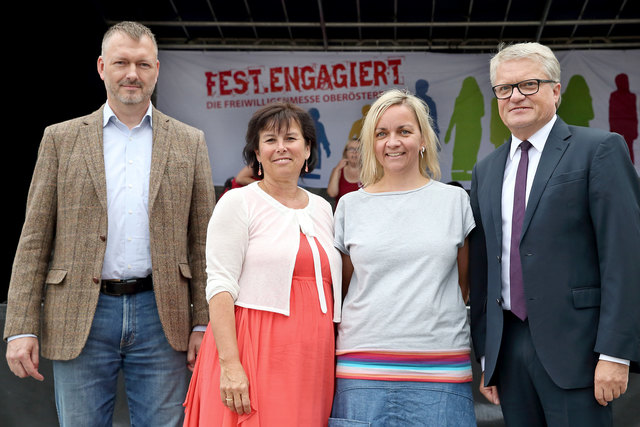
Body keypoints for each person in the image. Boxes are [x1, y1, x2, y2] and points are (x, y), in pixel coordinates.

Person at [3, 21, 215, 426]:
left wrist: (203, 322)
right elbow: (34, 239)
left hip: (163, 314)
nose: (132, 73)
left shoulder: (190, 142)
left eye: (142, 64)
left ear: (157, 69)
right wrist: (20, 327)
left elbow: (202, 241)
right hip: (79, 312)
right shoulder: (60, 139)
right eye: (121, 63)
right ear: (102, 67)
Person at [470, 42, 640, 427]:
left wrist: (615, 353)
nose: (515, 96)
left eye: (529, 84)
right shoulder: (486, 170)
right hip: (508, 350)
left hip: (580, 350)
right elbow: (483, 267)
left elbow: (625, 256)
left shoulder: (599, 150)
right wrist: (487, 356)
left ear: (556, 91)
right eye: (504, 88)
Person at [183, 102, 342, 426]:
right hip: (252, 352)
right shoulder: (238, 202)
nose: (281, 148)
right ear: (256, 152)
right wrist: (231, 365)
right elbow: (220, 287)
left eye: (291, 138)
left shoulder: (324, 209)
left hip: (312, 362)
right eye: (270, 140)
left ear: (308, 148)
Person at [330, 89, 477, 426]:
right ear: (371, 143)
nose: (392, 142)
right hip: (362, 370)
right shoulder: (350, 206)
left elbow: (462, 285)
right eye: (381, 133)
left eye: (404, 131)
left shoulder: (454, 202)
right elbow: (346, 286)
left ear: (423, 139)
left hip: (440, 368)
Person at [326, 139, 361, 208]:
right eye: (351, 149)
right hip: (342, 216)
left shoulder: (369, 172)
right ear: (346, 153)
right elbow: (332, 193)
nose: (355, 152)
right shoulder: (338, 170)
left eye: (358, 149)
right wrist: (337, 169)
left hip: (362, 216)